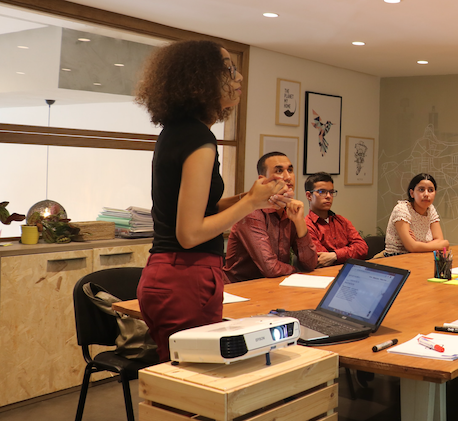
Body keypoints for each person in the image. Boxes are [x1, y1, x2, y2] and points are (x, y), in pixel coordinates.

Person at [134, 40, 287, 362]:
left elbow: (202, 208)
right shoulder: (199, 138)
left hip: (169, 274)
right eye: (229, 69)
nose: (240, 77)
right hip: (185, 277)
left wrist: (251, 197)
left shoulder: (177, 132)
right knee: (192, 390)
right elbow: (189, 233)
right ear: (201, 80)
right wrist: (248, 205)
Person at [223, 152, 318, 283]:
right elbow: (271, 268)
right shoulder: (252, 212)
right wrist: (297, 271)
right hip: (240, 290)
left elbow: (310, 264)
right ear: (263, 180)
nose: (288, 177)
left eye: (290, 170)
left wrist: (300, 222)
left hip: (275, 286)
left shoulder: (291, 209)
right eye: (279, 171)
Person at [304, 172, 368, 266]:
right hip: (324, 275)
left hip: (348, 272)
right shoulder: (307, 225)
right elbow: (321, 259)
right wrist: (348, 253)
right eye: (322, 192)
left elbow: (362, 248)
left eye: (331, 192)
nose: (328, 196)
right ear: (309, 196)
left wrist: (335, 256)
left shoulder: (342, 221)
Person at [383, 173, 450, 256]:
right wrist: (436, 245)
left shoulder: (430, 209)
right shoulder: (402, 209)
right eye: (421, 190)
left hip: (421, 256)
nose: (426, 194)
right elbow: (411, 247)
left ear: (435, 193)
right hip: (396, 257)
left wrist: (417, 244)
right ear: (412, 193)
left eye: (430, 190)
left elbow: (440, 239)